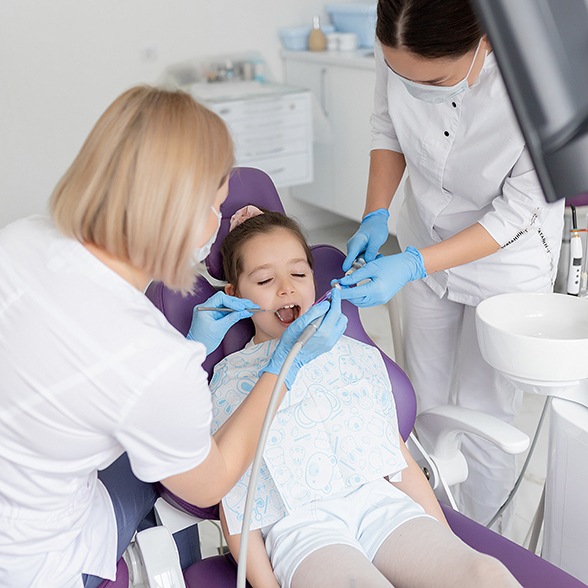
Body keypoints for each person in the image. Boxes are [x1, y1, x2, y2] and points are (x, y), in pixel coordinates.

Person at [0, 86, 345, 588]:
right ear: (182, 215)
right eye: (218, 206)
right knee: (165, 490)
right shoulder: (152, 360)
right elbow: (209, 485)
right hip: (33, 557)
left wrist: (193, 349)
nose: (218, 223)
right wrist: (284, 365)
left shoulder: (19, 238)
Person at [338, 0, 565, 529]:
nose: (415, 89)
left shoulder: (540, 77)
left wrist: (413, 264)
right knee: (422, 403)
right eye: (402, 75)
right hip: (424, 232)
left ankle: (486, 540)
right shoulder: (398, 36)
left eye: (435, 80)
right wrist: (375, 214)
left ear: (484, 40)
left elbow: (520, 210)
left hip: (507, 262)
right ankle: (428, 529)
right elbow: (386, 128)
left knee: (486, 417)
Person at [209, 205, 520, 588]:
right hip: (303, 529)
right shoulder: (230, 380)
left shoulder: (354, 356)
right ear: (235, 295)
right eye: (265, 280)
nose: (286, 288)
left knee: (485, 574)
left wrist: (449, 549)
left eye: (298, 273)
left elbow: (398, 459)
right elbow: (235, 502)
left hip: (382, 506)